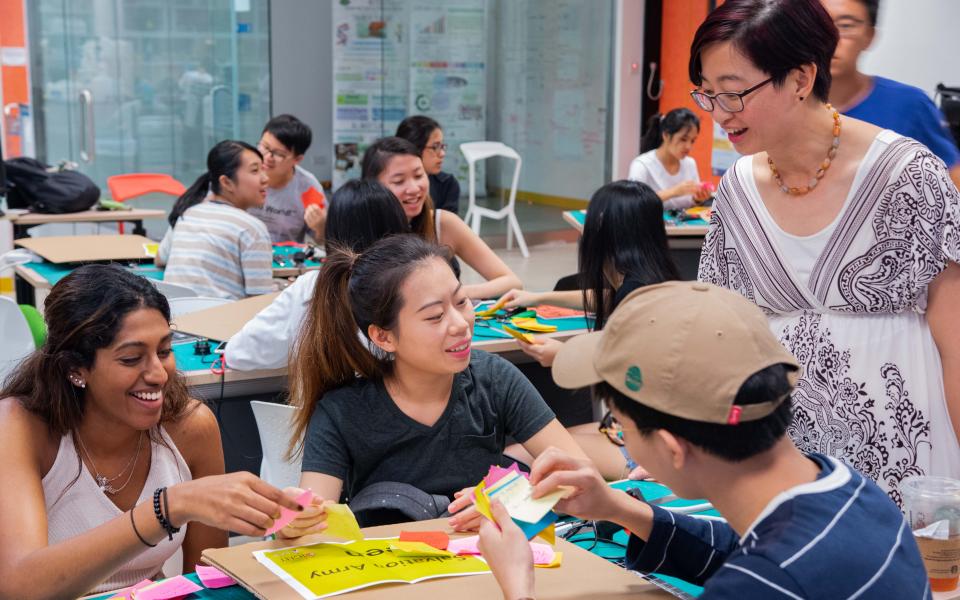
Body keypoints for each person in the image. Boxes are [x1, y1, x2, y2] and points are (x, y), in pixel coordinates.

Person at [478, 282, 931, 599]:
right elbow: (745, 550)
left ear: (673, 447)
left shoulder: (762, 584)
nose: (620, 439)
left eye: (619, 426)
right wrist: (617, 508)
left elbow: (759, 574)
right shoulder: (852, 490)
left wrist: (519, 587)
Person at [691, 0, 960, 501]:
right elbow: (725, 337)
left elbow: (957, 344)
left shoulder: (906, 174)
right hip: (784, 458)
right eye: (707, 95)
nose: (719, 114)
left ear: (799, 78)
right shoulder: (738, 190)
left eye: (733, 93)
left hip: (907, 459)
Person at [0, 264, 305, 598]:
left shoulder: (190, 427)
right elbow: (19, 587)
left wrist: (280, 530)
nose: (159, 374)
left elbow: (208, 579)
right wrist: (167, 507)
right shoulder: (19, 425)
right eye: (131, 358)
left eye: (164, 351)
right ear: (75, 369)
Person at [281, 235, 585, 533]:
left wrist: (512, 500)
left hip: (492, 563)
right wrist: (294, 522)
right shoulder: (342, 411)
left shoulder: (494, 379)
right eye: (435, 316)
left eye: (462, 301)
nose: (460, 324)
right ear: (383, 337)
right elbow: (313, 525)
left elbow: (581, 475)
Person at [226, 179, 411, 371]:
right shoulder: (418, 282)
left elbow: (239, 354)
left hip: (327, 399)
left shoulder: (312, 287)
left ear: (334, 231)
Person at [496, 180, 680, 369]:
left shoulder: (633, 293)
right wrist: (537, 298)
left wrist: (564, 355)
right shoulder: (650, 278)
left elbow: (625, 371)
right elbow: (608, 298)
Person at [362, 137, 522, 300]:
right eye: (399, 181)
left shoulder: (442, 223)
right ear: (372, 187)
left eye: (418, 175)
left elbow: (511, 282)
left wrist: (454, 294)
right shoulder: (360, 227)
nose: (414, 188)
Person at [822, 0, 960, 189]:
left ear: (869, 36)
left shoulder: (910, 106)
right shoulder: (780, 104)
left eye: (846, 26)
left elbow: (953, 182)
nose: (831, 38)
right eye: (820, 24)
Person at [161, 140, 274, 300]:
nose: (265, 178)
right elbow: (260, 300)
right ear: (226, 182)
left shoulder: (189, 212)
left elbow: (161, 258)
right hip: (221, 321)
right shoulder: (252, 228)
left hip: (176, 318)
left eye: (263, 169)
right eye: (255, 171)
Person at [248, 114, 328, 243]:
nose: (268, 157)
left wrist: (321, 226)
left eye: (279, 154)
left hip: (285, 260)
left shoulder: (308, 188)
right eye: (265, 147)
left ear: (297, 159)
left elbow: (321, 240)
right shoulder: (242, 174)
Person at [628, 108, 713, 210]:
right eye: (683, 139)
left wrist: (698, 199)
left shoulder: (690, 163)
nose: (688, 146)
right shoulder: (642, 165)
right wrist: (674, 192)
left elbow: (691, 204)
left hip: (685, 225)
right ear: (666, 135)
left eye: (692, 141)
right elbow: (633, 202)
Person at [396, 115, 461, 214]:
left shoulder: (447, 183)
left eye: (442, 146)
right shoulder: (385, 183)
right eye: (435, 147)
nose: (442, 154)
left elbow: (446, 226)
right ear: (413, 148)